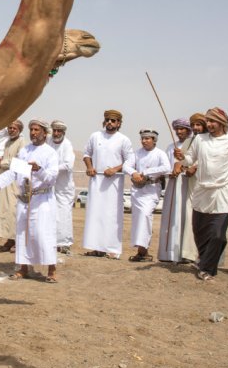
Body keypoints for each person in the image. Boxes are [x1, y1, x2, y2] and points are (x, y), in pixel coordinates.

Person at [182, 107, 228, 281]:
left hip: (223, 192)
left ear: (222, 123)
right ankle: (203, 261)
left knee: (218, 235)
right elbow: (190, 159)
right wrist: (181, 157)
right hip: (201, 191)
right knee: (200, 231)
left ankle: (206, 268)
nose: (209, 124)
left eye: (213, 121)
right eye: (208, 121)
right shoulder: (200, 139)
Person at [0, 118, 59, 282]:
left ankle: (52, 270)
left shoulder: (51, 153)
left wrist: (38, 170)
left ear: (44, 133)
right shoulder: (25, 151)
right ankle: (23, 268)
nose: (33, 133)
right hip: (24, 198)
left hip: (42, 199)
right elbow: (14, 172)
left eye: (36, 130)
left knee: (42, 234)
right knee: (23, 234)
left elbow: (52, 179)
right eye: (31, 130)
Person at [82, 110, 134, 259]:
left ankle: (113, 249)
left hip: (114, 183)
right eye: (107, 120)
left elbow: (130, 160)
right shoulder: (95, 136)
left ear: (118, 123)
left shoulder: (123, 139)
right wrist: (89, 167)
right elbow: (86, 154)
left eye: (113, 120)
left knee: (111, 215)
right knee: (95, 213)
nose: (110, 123)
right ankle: (96, 248)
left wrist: (115, 169)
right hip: (96, 181)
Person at [157, 118, 198, 263]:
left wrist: (183, 167)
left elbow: (194, 163)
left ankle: (186, 254)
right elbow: (166, 166)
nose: (179, 132)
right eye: (177, 129)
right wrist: (171, 172)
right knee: (171, 217)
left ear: (188, 130)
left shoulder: (194, 144)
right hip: (173, 185)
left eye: (182, 129)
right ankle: (168, 254)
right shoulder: (170, 147)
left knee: (186, 217)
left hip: (188, 184)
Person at [127, 129, 171, 262]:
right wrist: (134, 172)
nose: (144, 141)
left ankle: (143, 249)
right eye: (143, 138)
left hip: (152, 189)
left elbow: (166, 168)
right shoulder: (137, 153)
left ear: (154, 140)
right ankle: (141, 251)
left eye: (147, 138)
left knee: (145, 215)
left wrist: (146, 172)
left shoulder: (160, 153)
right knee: (138, 218)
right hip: (137, 190)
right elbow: (126, 166)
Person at [0, 120, 25, 252]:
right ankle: (10, 239)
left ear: (19, 130)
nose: (11, 130)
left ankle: (18, 241)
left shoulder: (22, 142)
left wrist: (3, 163)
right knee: (5, 210)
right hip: (5, 180)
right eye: (9, 128)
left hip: (14, 181)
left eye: (13, 128)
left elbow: (20, 161)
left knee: (13, 209)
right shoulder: (7, 142)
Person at [48, 119, 76, 254]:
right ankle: (53, 242)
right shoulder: (48, 141)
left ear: (63, 132)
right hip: (50, 185)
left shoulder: (67, 145)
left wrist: (51, 169)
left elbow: (68, 165)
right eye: (54, 130)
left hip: (64, 187)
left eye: (59, 131)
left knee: (64, 214)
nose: (56, 133)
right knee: (51, 214)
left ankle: (65, 243)